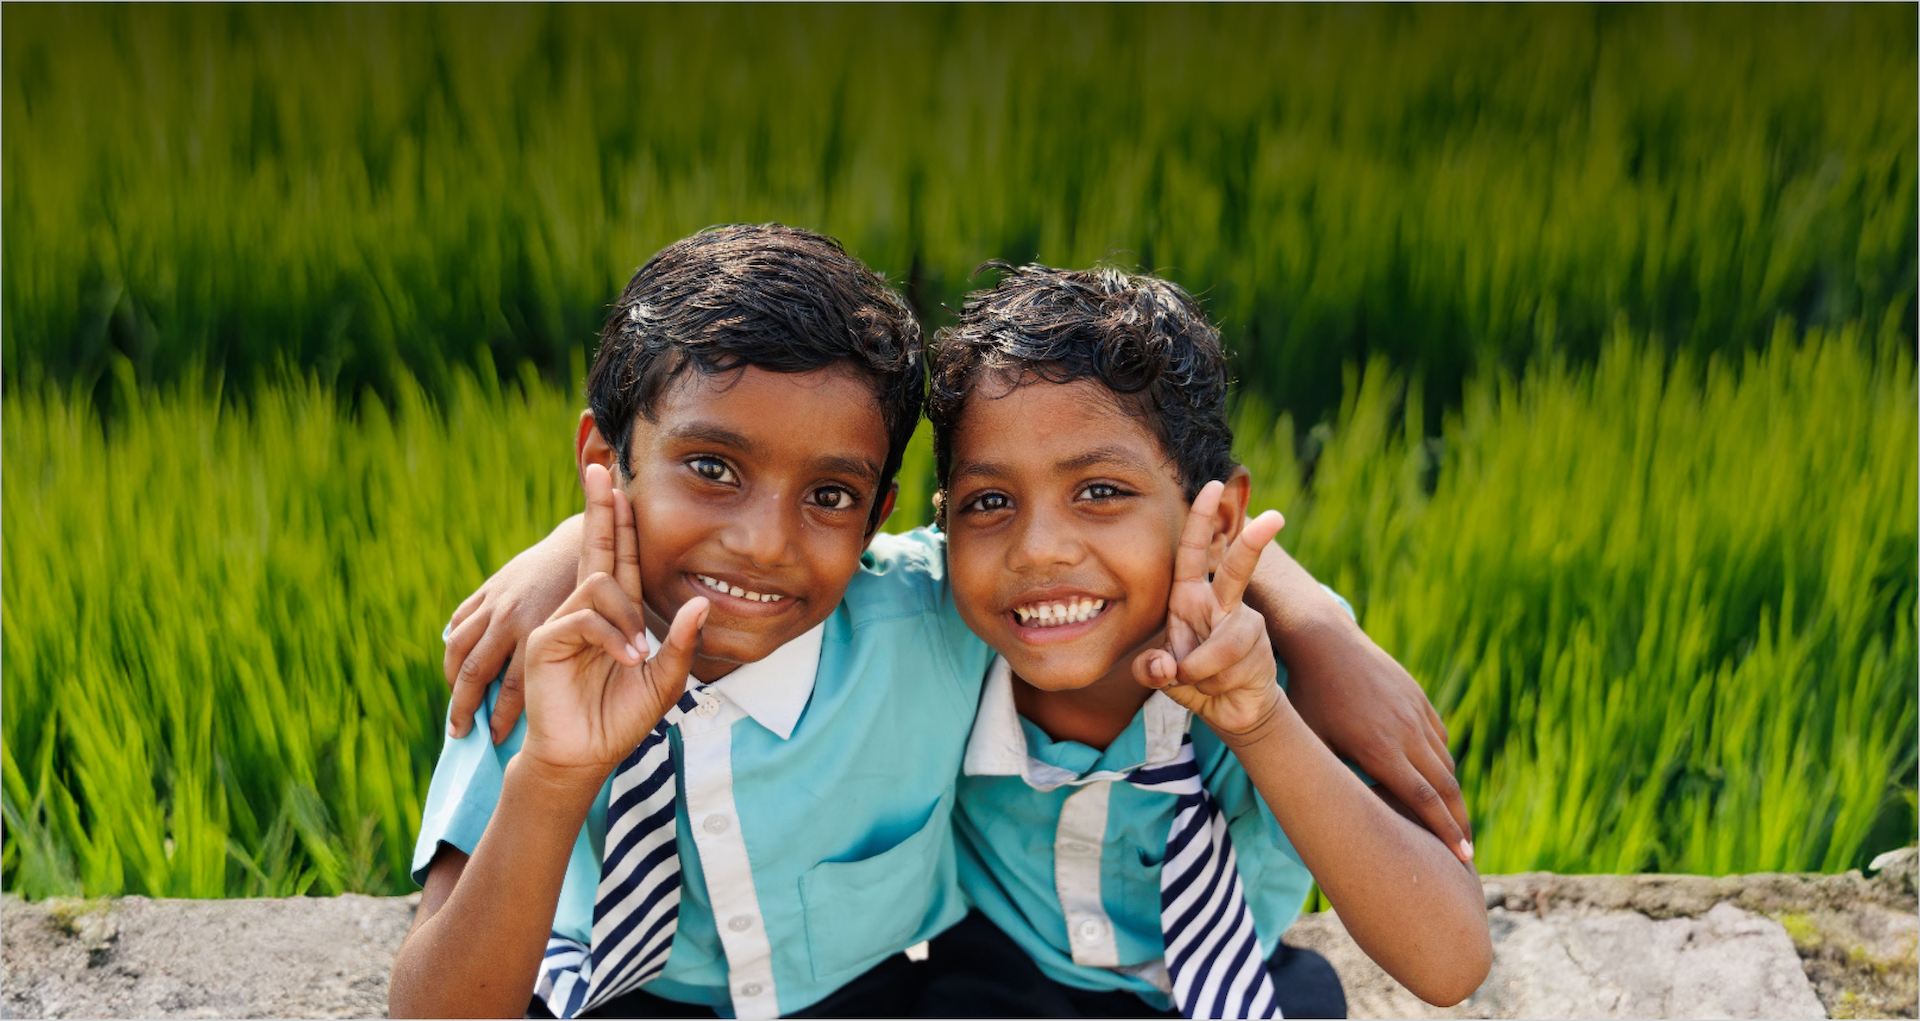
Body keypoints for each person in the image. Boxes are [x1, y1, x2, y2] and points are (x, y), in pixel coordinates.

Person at [390, 225, 1425, 1019]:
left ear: (878, 514)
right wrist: (559, 716)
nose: (762, 542)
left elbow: (1081, 538)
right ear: (603, 460)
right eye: (711, 468)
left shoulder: (929, 622)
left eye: (829, 495)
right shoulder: (538, 668)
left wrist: (1317, 623)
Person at [910, 264, 1491, 1018]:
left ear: (1215, 521)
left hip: (1251, 980)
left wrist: (1263, 718)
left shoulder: (1282, 668)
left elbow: (1450, 964)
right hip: (998, 984)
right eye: (989, 501)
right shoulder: (924, 629)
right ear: (944, 522)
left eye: (1100, 491)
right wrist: (1313, 614)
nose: (1039, 549)